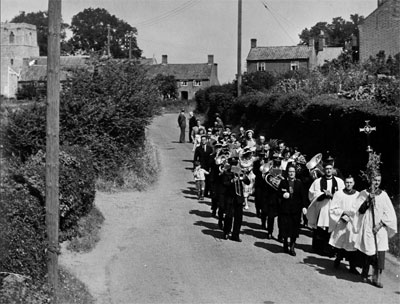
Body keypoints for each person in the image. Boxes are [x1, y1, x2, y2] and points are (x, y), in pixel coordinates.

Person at [354, 172, 397, 288]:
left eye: (378, 180)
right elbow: (359, 211)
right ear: (370, 180)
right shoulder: (364, 193)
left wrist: (380, 224)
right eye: (374, 180)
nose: (376, 183)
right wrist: (368, 200)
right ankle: (364, 271)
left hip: (380, 228)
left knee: (380, 252)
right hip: (367, 225)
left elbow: (390, 214)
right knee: (367, 250)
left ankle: (377, 277)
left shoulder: (384, 195)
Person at [307, 159, 345, 256]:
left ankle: (330, 250)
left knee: (331, 229)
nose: (328, 171)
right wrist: (323, 194)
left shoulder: (339, 182)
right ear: (324, 170)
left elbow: (342, 195)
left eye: (330, 169)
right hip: (322, 208)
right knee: (320, 229)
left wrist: (332, 195)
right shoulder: (318, 181)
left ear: (333, 170)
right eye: (326, 169)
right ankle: (318, 248)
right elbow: (312, 194)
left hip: (333, 209)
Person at [328, 175, 360, 273]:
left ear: (353, 183)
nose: (348, 184)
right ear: (344, 183)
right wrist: (342, 213)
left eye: (350, 182)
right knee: (340, 242)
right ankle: (338, 260)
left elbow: (359, 209)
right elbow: (333, 208)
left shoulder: (358, 195)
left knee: (351, 243)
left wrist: (352, 216)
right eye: (347, 182)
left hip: (352, 222)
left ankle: (352, 266)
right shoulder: (338, 194)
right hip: (341, 221)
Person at [278, 164, 307, 256]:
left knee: (294, 229)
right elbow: (278, 194)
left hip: (296, 210)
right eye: (290, 171)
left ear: (295, 173)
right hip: (285, 210)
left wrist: (304, 206)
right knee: (285, 228)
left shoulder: (299, 183)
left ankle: (292, 246)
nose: (291, 173)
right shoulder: (283, 182)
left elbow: (303, 196)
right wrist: (282, 195)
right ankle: (285, 243)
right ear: (287, 172)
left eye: (293, 172)